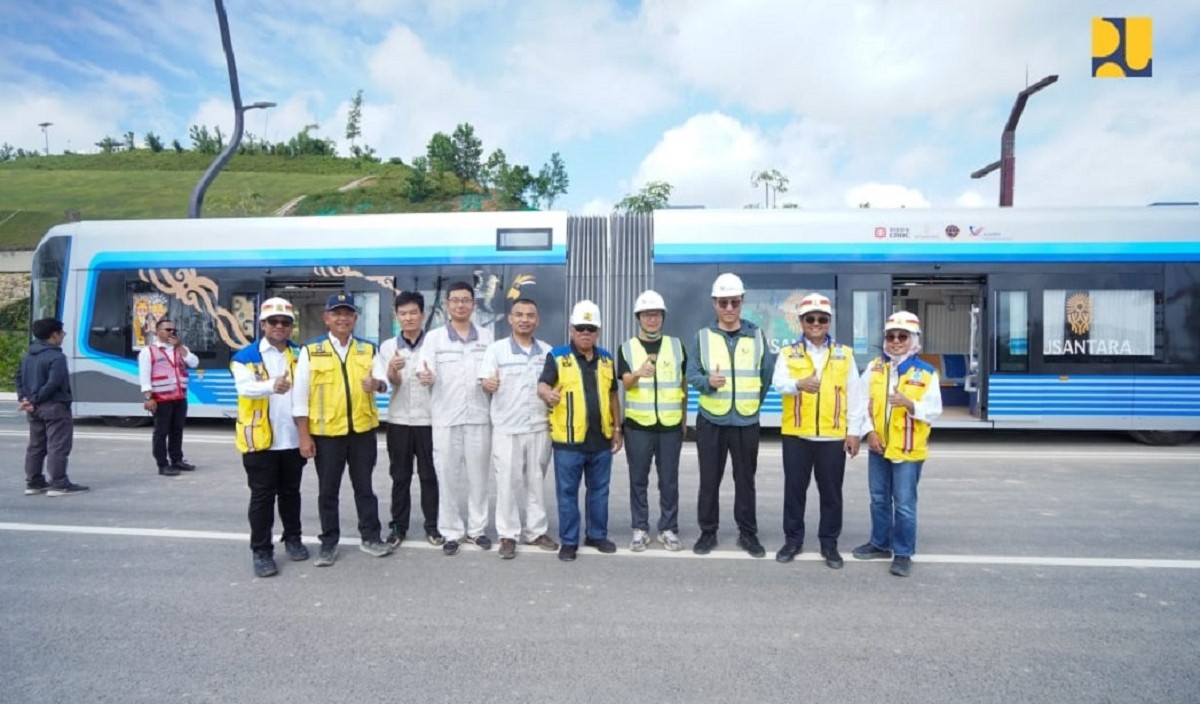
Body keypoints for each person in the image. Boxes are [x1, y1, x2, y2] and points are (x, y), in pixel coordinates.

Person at [292, 292, 391, 566]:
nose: (342, 318)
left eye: (347, 314)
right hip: (326, 436)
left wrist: (377, 385)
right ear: (327, 318)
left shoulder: (368, 349)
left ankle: (371, 537)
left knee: (365, 488)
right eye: (337, 313)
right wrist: (304, 436)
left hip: (362, 432)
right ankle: (328, 543)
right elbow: (299, 397)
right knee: (328, 491)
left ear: (355, 319)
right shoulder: (311, 351)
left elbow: (383, 382)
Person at [771, 292, 865, 569]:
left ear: (829, 322)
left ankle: (829, 543)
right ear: (801, 321)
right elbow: (779, 383)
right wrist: (798, 384)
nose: (816, 323)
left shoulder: (844, 354)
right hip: (797, 435)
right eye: (810, 318)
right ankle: (793, 541)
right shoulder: (789, 353)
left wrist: (854, 432)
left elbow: (855, 396)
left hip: (832, 435)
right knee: (794, 491)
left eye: (821, 319)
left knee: (832, 494)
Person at [685, 273, 774, 557]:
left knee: (746, 481)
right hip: (712, 419)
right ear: (714, 304)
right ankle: (707, 532)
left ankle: (748, 534)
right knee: (709, 480)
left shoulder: (757, 335)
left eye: (734, 302)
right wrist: (706, 384)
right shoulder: (703, 337)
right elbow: (691, 374)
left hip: (746, 421)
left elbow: (766, 375)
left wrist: (752, 406)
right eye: (723, 302)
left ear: (742, 302)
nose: (729, 308)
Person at [851, 311, 943, 578]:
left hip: (908, 449)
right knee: (879, 499)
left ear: (914, 340)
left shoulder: (925, 373)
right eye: (890, 336)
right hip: (879, 446)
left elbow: (934, 409)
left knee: (903, 503)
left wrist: (910, 404)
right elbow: (862, 402)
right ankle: (880, 543)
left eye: (902, 336)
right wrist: (869, 433)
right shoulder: (875, 367)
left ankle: (903, 553)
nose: (895, 341)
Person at [537, 300, 623, 562]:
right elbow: (541, 385)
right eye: (581, 328)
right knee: (567, 493)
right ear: (571, 330)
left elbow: (612, 397)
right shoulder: (558, 357)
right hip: (568, 441)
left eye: (591, 328)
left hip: (601, 440)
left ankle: (596, 535)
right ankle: (569, 541)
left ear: (597, 332)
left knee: (599, 491)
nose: (586, 333)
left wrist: (617, 428)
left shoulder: (607, 359)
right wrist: (548, 395)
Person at [231, 297, 308, 578]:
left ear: (291, 327)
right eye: (273, 321)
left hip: (292, 438)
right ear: (263, 324)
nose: (279, 326)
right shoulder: (244, 357)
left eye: (285, 322)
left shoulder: (300, 354)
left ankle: (293, 538)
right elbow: (244, 389)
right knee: (262, 498)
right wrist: (271, 385)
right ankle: (261, 551)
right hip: (259, 441)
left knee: (291, 494)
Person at [416, 281, 494, 556]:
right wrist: (426, 376)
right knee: (447, 477)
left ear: (473, 304)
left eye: (466, 300)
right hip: (446, 419)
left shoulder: (487, 337)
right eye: (455, 300)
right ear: (447, 305)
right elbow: (424, 370)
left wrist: (492, 382)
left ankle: (477, 530)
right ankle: (450, 531)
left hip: (479, 418)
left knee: (479, 478)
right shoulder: (434, 338)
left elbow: (492, 372)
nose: (460, 305)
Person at [478, 298, 559, 559]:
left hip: (538, 427)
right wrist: (488, 384)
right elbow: (485, 380)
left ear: (538, 320)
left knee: (536, 481)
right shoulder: (496, 350)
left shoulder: (548, 352)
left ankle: (536, 531)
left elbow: (554, 385)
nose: (525, 319)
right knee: (507, 483)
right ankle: (508, 534)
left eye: (530, 315)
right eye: (519, 315)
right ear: (510, 319)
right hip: (507, 428)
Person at [617, 290, 686, 552]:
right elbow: (625, 382)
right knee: (638, 479)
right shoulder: (627, 348)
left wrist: (682, 419)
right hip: (638, 426)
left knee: (669, 480)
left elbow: (683, 382)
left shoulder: (676, 346)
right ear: (638, 318)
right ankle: (640, 528)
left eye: (656, 314)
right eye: (647, 315)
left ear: (663, 317)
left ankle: (668, 529)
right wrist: (638, 373)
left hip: (669, 426)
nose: (652, 319)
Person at [373, 291, 442, 549]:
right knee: (400, 476)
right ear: (397, 316)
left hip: (429, 420)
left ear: (422, 315)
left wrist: (432, 379)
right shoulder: (388, 347)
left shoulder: (434, 344)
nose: (409, 318)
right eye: (403, 313)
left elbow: (440, 379)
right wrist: (392, 370)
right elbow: (391, 383)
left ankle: (433, 527)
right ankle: (398, 527)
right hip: (399, 421)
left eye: (414, 312)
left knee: (429, 476)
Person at [17, 318, 88, 496]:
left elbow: (18, 378)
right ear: (54, 335)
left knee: (36, 445)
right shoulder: (56, 356)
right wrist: (35, 399)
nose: (63, 336)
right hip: (55, 406)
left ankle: (34, 482)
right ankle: (59, 483)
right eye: (62, 333)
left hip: (34, 409)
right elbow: (54, 383)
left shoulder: (28, 355)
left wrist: (26, 399)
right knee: (58, 446)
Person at [138, 317, 198, 476]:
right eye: (168, 330)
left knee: (177, 430)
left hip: (179, 397)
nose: (172, 332)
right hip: (161, 399)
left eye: (174, 330)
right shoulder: (148, 351)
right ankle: (162, 464)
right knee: (161, 432)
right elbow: (145, 376)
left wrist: (179, 346)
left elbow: (194, 362)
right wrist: (148, 397)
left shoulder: (179, 348)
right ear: (158, 332)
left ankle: (177, 460)